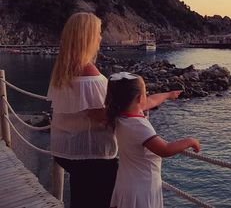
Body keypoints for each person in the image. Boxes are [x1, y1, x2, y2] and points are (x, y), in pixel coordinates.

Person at [47, 12, 182, 208]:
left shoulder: (63, 69)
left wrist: (163, 96)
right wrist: (137, 114)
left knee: (81, 198)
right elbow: (104, 113)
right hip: (91, 155)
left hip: (65, 150)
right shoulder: (89, 72)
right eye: (98, 33)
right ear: (87, 37)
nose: (100, 38)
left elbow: (85, 110)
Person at [105, 72, 200, 208]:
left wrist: (168, 95)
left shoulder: (119, 114)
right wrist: (191, 141)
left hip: (125, 183)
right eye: (146, 92)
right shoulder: (139, 126)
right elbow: (164, 149)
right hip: (142, 188)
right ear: (139, 98)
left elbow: (152, 101)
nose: (148, 95)